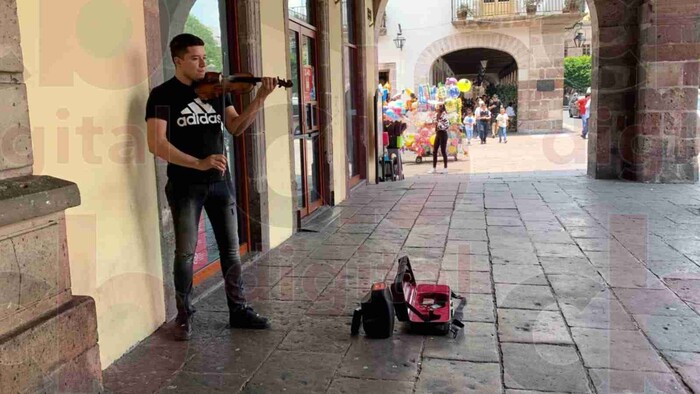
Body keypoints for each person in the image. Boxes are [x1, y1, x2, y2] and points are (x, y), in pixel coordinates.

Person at [145, 33, 279, 341]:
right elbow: (156, 143)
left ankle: (238, 310)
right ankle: (184, 315)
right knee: (185, 253)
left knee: (231, 251)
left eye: (204, 56)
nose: (204, 62)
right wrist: (198, 163)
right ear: (178, 61)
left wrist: (259, 99)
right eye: (195, 58)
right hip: (185, 186)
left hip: (221, 184)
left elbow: (235, 127)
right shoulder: (162, 95)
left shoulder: (217, 92)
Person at [429, 104, 450, 174]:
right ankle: (434, 168)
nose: (437, 108)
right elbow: (433, 121)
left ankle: (445, 168)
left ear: (442, 108)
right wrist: (434, 122)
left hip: (443, 134)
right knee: (434, 151)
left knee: (443, 151)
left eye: (438, 107)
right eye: (437, 106)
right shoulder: (436, 114)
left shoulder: (445, 115)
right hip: (438, 133)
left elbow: (447, 126)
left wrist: (439, 124)